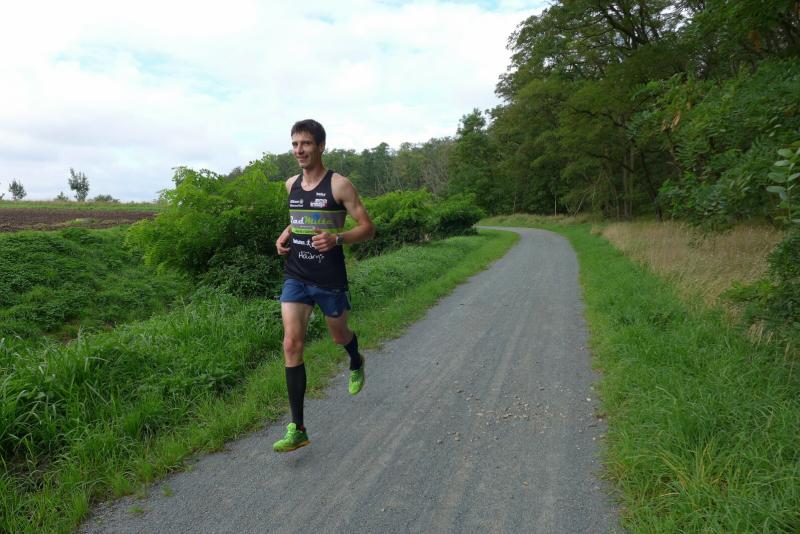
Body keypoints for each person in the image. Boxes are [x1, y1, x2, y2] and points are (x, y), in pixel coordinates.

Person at [272, 119, 375, 453]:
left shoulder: (339, 185)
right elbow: (300, 216)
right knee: (291, 343)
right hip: (296, 275)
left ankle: (355, 359)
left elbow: (368, 228)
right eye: (294, 144)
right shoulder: (291, 184)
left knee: (339, 336)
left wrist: (337, 239)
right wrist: (287, 232)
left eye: (305, 144)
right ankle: (298, 428)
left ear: (320, 146)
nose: (299, 150)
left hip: (329, 279)